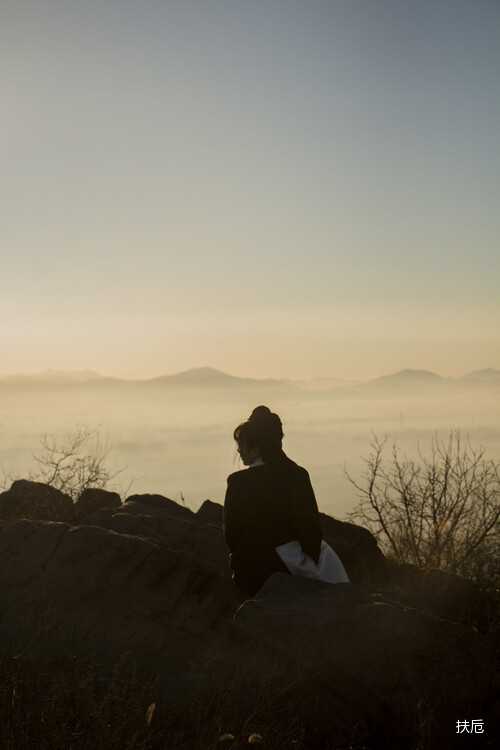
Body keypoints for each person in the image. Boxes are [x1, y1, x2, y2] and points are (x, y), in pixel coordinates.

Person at [223, 405, 349, 595]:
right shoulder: (296, 475)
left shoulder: (237, 482)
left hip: (249, 572)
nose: (239, 451)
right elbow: (309, 526)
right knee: (329, 560)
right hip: (285, 563)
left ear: (256, 451)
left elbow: (231, 533)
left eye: (241, 446)